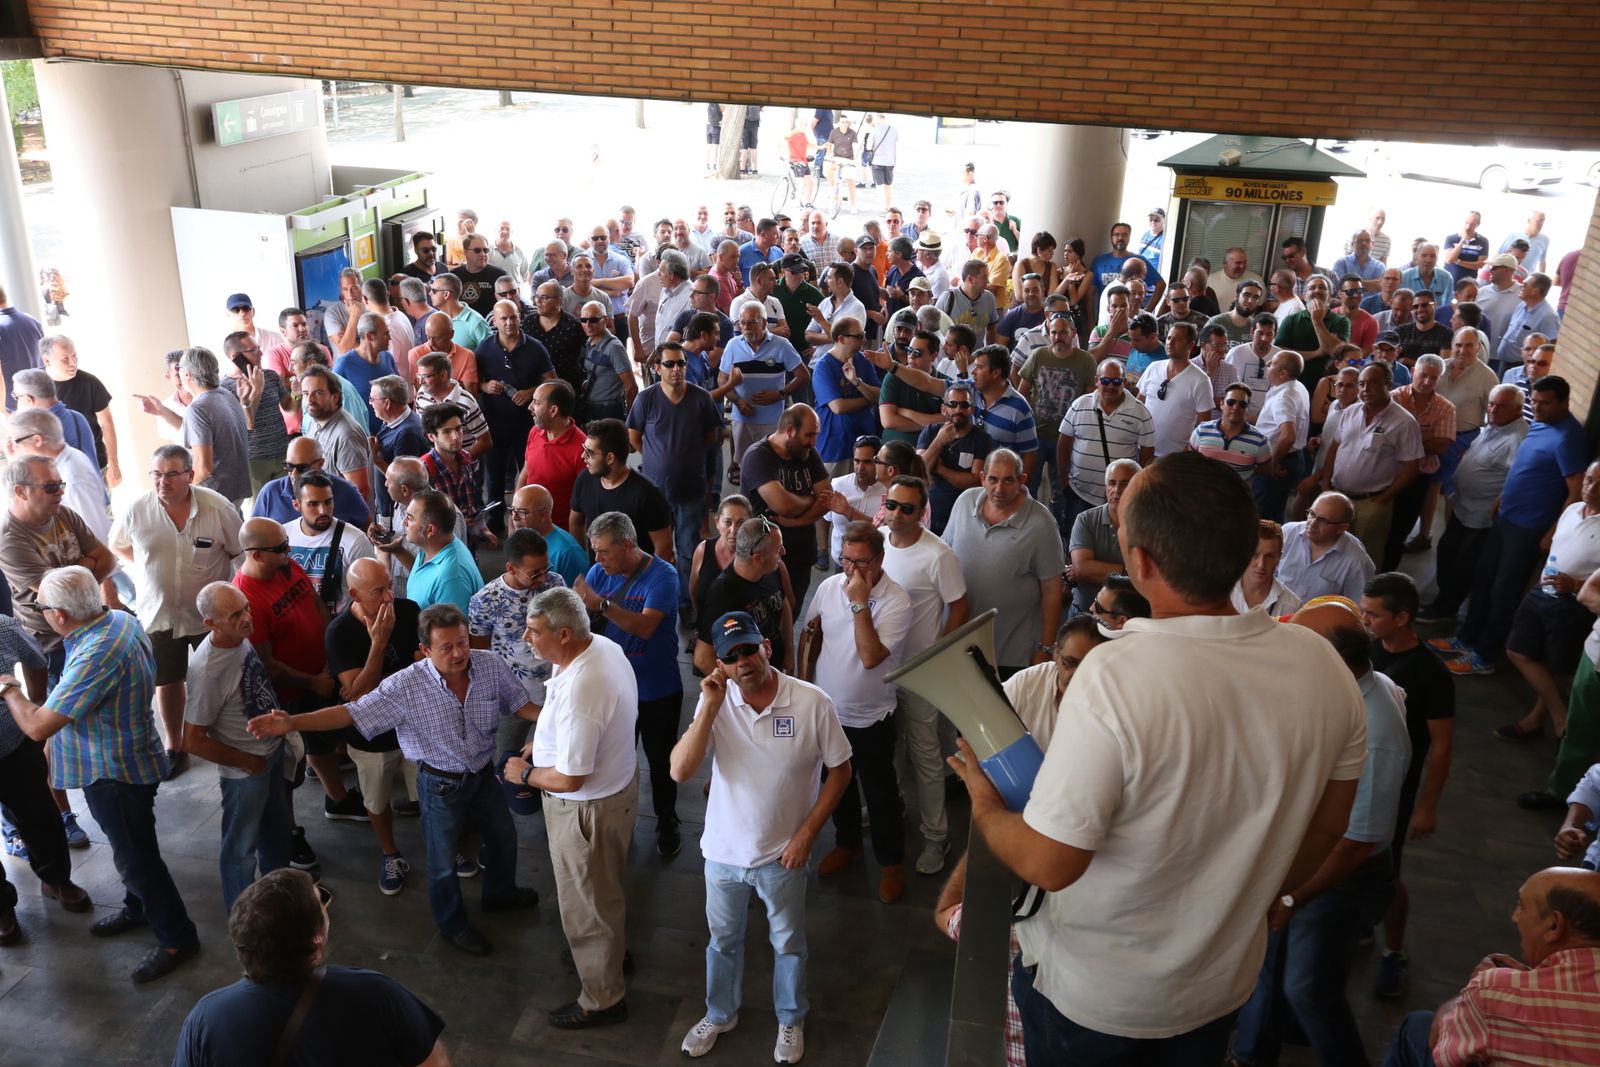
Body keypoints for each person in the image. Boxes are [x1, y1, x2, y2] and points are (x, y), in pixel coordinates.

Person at [950, 452, 1367, 1062]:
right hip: (1221, 984)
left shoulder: (1113, 674)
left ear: (1140, 563)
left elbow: (1048, 862)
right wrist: (1246, 895)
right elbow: (1331, 825)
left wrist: (985, 803)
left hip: (1098, 998)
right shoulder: (1323, 663)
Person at [247, 603, 541, 954]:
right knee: (442, 862)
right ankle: (452, 924)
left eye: (462, 642)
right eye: (446, 647)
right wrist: (293, 722)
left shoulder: (490, 665)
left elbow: (521, 705)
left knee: (504, 837)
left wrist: (563, 716)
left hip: (483, 775)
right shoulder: (405, 685)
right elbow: (350, 712)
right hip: (440, 785)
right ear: (425, 650)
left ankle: (500, 894)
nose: (459, 653)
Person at [1232, 600, 1409, 1067]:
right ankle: (1259, 1050)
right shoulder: (1353, 685)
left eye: (1300, 641)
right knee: (1272, 968)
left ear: (1332, 657)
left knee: (1308, 988)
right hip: (1311, 856)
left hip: (1341, 877)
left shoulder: (1376, 731)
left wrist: (1293, 896)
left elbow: (1357, 843)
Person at [1, 566, 199, 983]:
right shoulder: (118, 619)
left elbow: (37, 726)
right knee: (135, 844)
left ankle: (177, 937)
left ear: (59, 615)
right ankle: (138, 907)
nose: (39, 612)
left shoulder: (95, 654)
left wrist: (8, 689)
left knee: (137, 860)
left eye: (41, 607)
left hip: (115, 773)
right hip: (131, 755)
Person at [671, 611, 852, 1063]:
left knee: (788, 943)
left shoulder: (812, 702)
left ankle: (791, 1018)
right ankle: (720, 1013)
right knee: (721, 942)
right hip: (723, 853)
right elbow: (680, 771)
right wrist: (709, 706)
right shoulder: (716, 703)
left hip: (783, 855)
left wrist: (807, 834)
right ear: (720, 664)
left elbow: (841, 771)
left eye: (749, 649)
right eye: (731, 656)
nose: (743, 662)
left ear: (766, 647)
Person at [506, 587, 639, 1029]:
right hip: (614, 793)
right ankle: (611, 954)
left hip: (585, 812)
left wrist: (525, 774)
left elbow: (569, 779)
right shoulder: (600, 647)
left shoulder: (585, 688)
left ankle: (603, 998)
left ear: (564, 634)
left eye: (534, 630)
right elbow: (567, 717)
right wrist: (542, 741)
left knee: (586, 905)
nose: (526, 637)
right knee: (603, 889)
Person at [172, 868, 450, 1067]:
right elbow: (434, 1064)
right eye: (322, 904)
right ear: (317, 939)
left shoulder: (206, 1019)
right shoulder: (376, 994)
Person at [1439, 375, 1586, 674]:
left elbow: (1576, 492)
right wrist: (1503, 496)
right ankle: (1466, 638)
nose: (1538, 408)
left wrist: (1554, 532)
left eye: (1546, 403)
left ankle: (1484, 655)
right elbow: (1522, 468)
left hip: (1529, 528)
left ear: (1564, 402)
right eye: (1535, 401)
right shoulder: (1540, 425)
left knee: (1503, 592)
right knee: (1483, 577)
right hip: (1505, 517)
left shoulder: (1569, 437)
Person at [1383, 867, 1600, 1067]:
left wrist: (1471, 992)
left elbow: (1439, 1043)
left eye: (1522, 906)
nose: (1514, 917)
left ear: (1554, 925)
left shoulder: (1495, 989)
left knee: (1416, 1026)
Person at [800, 521, 912, 903]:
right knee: (837, 785)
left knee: (880, 795)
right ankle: (847, 844)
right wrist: (804, 690)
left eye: (860, 562)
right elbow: (811, 636)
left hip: (871, 716)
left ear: (879, 560)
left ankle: (891, 864)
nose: (850, 570)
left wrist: (860, 602)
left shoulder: (896, 601)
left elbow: (870, 657)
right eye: (846, 560)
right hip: (829, 712)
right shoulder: (829, 587)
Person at [110, 444, 242, 769]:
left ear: (190, 475)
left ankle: (229, 738)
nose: (162, 482)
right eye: (156, 474)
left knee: (220, 677)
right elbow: (118, 546)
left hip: (209, 615)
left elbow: (239, 554)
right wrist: (151, 567)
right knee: (167, 681)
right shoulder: (137, 509)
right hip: (159, 613)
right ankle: (175, 742)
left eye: (171, 474)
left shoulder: (217, 507)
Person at [1360, 571, 1457, 999]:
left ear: (1402, 618)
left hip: (1395, 789)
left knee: (1388, 874)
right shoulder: (1367, 651)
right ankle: (1360, 926)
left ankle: (1394, 952)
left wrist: (1426, 806)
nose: (1365, 621)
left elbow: (1442, 746)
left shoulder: (1430, 673)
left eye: (1373, 614)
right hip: (1359, 778)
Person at [571, 512, 683, 859]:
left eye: (604, 551)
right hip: (614, 690)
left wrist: (601, 604)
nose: (597, 558)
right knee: (616, 759)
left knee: (661, 761)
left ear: (628, 545)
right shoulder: (598, 573)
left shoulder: (663, 576)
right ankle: (621, 818)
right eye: (594, 551)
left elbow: (646, 627)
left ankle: (667, 820)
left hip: (657, 688)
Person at [183, 581, 291, 915]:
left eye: (246, 608)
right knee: (240, 852)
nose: (247, 618)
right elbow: (192, 740)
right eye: (234, 615)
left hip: (269, 755)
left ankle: (280, 905)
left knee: (276, 834)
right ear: (211, 623)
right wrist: (247, 761)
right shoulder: (206, 671)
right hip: (247, 773)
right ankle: (244, 921)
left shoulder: (239, 638)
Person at [880, 474, 969, 874]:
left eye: (907, 508)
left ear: (922, 511)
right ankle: (894, 806)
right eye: (891, 505)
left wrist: (936, 655)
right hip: (881, 670)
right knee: (890, 747)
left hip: (919, 671)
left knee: (926, 754)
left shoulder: (938, 555)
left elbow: (961, 606)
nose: (897, 514)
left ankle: (936, 836)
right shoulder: (879, 541)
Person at [0, 611, 87, 945]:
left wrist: (36, 702)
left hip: (13, 745)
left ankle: (56, 880)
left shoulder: (3, 627)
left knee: (40, 817)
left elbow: (37, 658)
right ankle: (2, 908)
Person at [942, 449, 1063, 677]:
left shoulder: (1042, 524)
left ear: (1022, 480)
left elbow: (1053, 591)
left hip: (1012, 654)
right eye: (993, 479)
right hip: (959, 646)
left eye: (1008, 480)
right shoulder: (964, 502)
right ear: (982, 478)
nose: (999, 489)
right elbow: (944, 556)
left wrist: (1045, 648)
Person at [626, 340, 721, 605]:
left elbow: (711, 436)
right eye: (669, 364)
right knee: (655, 551)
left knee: (689, 550)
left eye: (681, 363)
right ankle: (655, 600)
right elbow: (634, 436)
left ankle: (686, 602)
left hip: (690, 490)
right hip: (654, 492)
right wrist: (654, 457)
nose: (676, 369)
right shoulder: (646, 399)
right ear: (657, 368)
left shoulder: (701, 398)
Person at [742, 404, 834, 608]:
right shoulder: (758, 456)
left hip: (802, 554)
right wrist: (810, 499)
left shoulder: (808, 453)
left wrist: (797, 522)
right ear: (790, 430)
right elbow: (784, 506)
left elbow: (828, 499)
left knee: (792, 610)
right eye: (809, 435)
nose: (814, 442)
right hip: (765, 558)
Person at [285, 469, 377, 610]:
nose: (323, 511)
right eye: (313, 504)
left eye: (328, 502)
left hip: (339, 622)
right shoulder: (283, 535)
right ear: (297, 505)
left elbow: (373, 592)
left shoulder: (355, 541)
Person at [39, 334, 119, 484]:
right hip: (56, 470)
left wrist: (113, 465)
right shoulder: (35, 385)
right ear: (47, 360)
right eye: (65, 359)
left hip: (94, 464)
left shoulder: (90, 383)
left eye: (74, 356)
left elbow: (107, 424)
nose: (72, 363)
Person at [177, 347, 253, 503]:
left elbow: (204, 467)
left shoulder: (197, 409)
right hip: (236, 490)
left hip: (214, 496)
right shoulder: (226, 394)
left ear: (187, 374)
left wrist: (183, 490)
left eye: (179, 369)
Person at [917, 381, 993, 534]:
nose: (958, 409)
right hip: (928, 513)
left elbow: (975, 481)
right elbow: (917, 471)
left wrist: (940, 469)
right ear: (943, 409)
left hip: (965, 516)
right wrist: (938, 442)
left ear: (971, 409)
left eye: (964, 405)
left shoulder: (982, 439)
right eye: (953, 404)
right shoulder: (931, 431)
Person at [1066, 459, 1137, 615]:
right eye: (1112, 483)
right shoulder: (1086, 519)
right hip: (1084, 614)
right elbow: (1081, 568)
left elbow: (1153, 576)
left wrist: (1093, 571)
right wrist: (1130, 572)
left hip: (1130, 618)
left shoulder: (1149, 523)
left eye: (1125, 483)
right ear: (1105, 487)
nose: (1117, 490)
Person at [1277, 492, 1376, 604]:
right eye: (1312, 514)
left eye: (1323, 520)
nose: (1312, 523)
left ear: (1342, 528)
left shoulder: (1357, 561)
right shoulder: (1287, 533)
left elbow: (1356, 606)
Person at [252, 436, 371, 528]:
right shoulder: (270, 492)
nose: (294, 474)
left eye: (302, 468)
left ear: (320, 464)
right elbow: (254, 532)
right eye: (289, 466)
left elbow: (367, 528)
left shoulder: (345, 491)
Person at [508, 483, 587, 587]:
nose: (514, 517)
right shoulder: (522, 538)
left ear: (543, 514)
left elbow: (578, 594)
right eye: (512, 510)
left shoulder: (568, 552)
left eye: (522, 512)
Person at [1230, 519, 1303, 616]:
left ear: (1279, 558)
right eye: (1255, 555)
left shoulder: (1292, 606)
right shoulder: (1220, 593)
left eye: (1269, 556)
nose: (1261, 564)